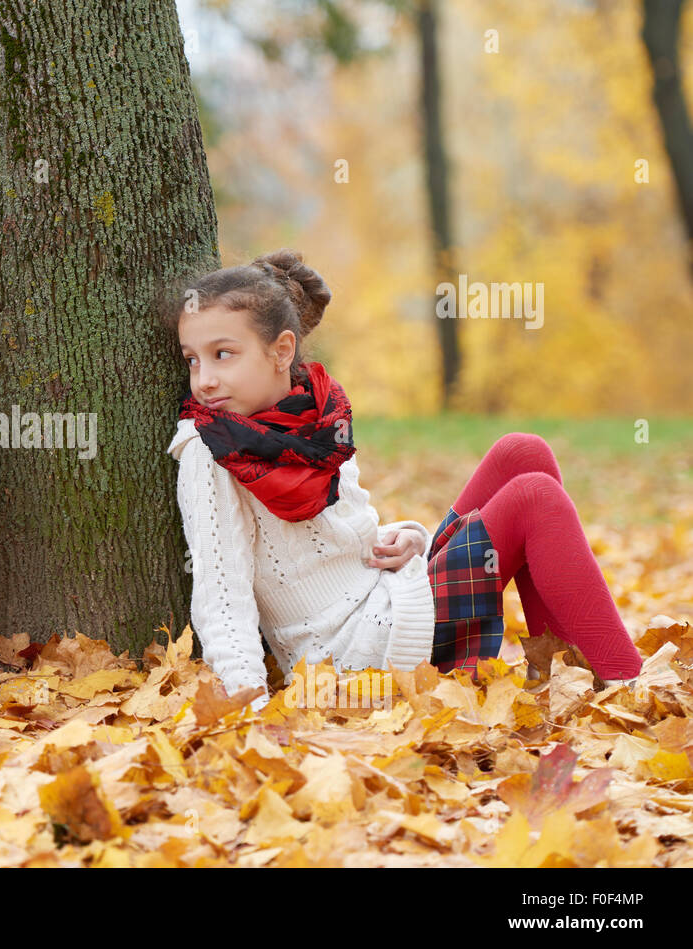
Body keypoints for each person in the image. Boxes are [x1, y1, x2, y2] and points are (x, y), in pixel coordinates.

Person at [165, 249, 643, 705]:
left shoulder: (316, 420)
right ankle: (632, 687)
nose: (204, 379)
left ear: (281, 350)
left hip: (388, 607)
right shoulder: (211, 450)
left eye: (222, 354)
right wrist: (246, 710)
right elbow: (220, 594)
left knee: (522, 452)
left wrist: (410, 537)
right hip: (360, 664)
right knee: (534, 497)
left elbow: (337, 546)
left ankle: (560, 674)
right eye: (193, 359)